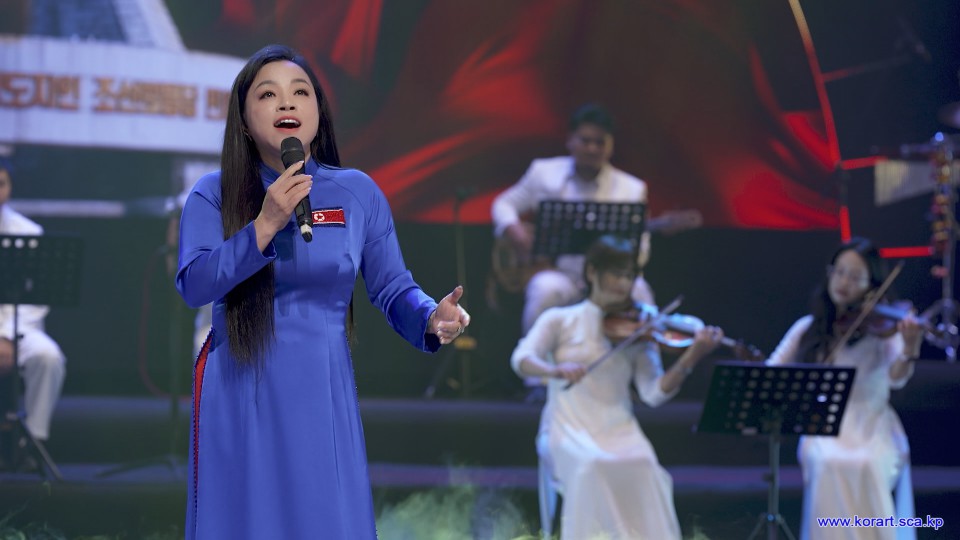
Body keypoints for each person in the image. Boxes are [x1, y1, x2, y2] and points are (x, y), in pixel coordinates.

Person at [175, 44, 470, 539]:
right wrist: (264, 225)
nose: (286, 103)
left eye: (301, 92)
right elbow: (195, 283)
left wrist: (428, 316)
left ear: (318, 112)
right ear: (243, 121)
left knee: (324, 516)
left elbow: (393, 286)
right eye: (267, 94)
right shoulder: (214, 192)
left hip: (321, 384)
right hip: (242, 381)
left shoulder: (356, 192)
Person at [510, 234, 723, 540]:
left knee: (646, 466)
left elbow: (654, 393)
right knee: (591, 467)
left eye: (630, 276)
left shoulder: (641, 329)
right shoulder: (560, 319)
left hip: (620, 429)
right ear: (592, 272)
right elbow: (521, 359)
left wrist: (691, 356)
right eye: (616, 273)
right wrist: (553, 370)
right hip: (567, 428)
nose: (623, 283)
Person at [491, 103, 655, 398]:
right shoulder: (544, 173)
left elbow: (641, 249)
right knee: (545, 288)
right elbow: (503, 204)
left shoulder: (631, 189)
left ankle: (643, 382)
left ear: (611, 145)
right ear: (570, 141)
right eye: (585, 140)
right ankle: (538, 380)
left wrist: (623, 263)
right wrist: (514, 230)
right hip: (561, 274)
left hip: (609, 278)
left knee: (641, 293)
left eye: (600, 142)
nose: (592, 148)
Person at [766, 237, 922, 540]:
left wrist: (910, 347)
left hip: (873, 427)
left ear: (871, 286)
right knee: (826, 461)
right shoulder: (808, 328)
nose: (843, 282)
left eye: (855, 276)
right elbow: (771, 370)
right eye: (839, 272)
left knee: (867, 465)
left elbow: (897, 378)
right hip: (823, 428)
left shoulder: (882, 331)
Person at [0, 159, 67, 462]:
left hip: (20, 329)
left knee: (48, 356)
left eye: (1, 184)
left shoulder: (28, 232)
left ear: (10, 188)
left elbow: (37, 299)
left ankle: (31, 445)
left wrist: (6, 338)